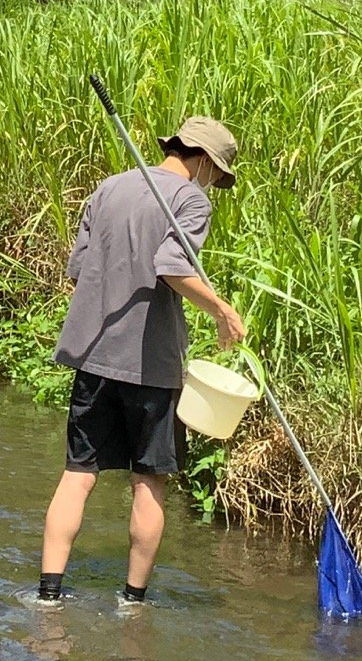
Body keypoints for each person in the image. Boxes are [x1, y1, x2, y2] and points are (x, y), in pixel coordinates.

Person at [39, 115, 246, 605]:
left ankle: (48, 594)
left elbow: (79, 269)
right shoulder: (189, 200)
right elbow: (173, 267)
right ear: (203, 162)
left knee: (77, 474)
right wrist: (221, 309)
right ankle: (133, 602)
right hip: (151, 366)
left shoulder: (108, 189)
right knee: (148, 481)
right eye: (216, 175)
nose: (213, 184)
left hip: (94, 355)